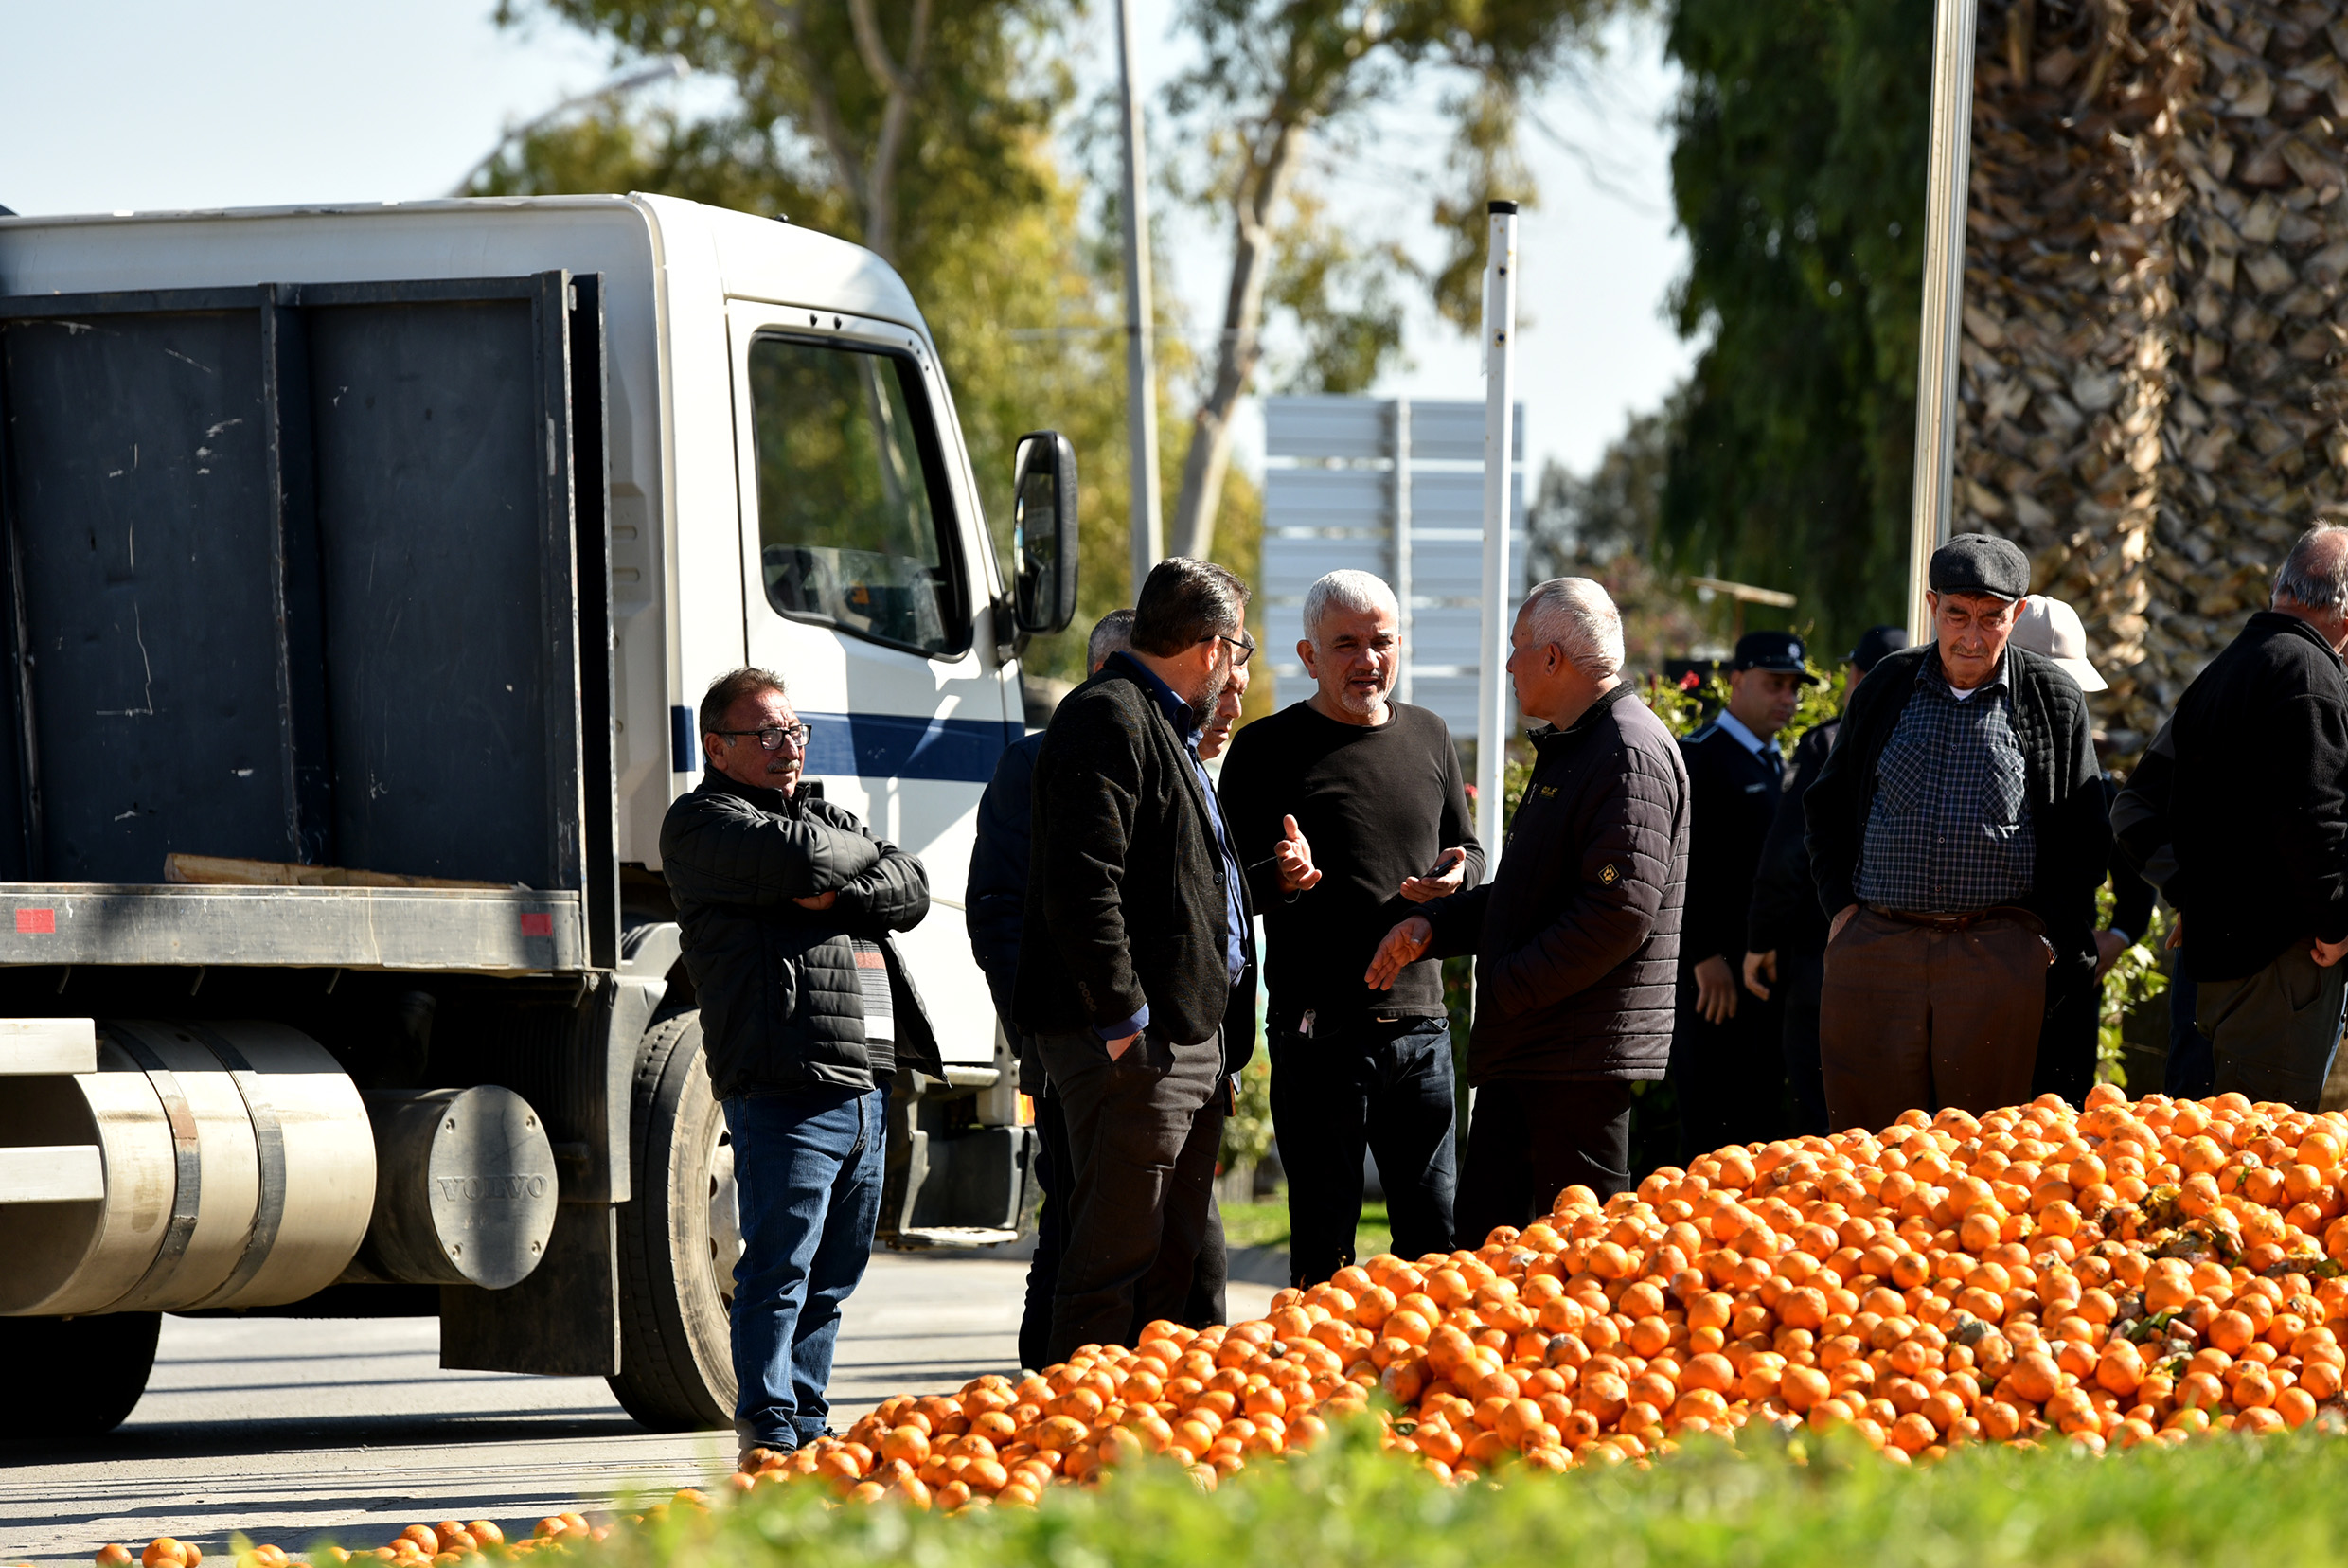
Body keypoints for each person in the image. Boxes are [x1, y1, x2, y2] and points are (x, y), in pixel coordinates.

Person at [661, 668, 938, 1462]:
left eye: (795, 731)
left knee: (835, 1272)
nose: (789, 747)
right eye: (767, 734)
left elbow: (912, 884)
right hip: (785, 1082)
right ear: (717, 747)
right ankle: (769, 1428)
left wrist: (845, 889)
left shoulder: (824, 814)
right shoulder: (701, 824)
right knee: (779, 1267)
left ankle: (810, 1421)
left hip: (864, 1081)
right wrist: (856, 861)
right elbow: (803, 861)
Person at [1363, 577, 1688, 1240]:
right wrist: (1433, 926)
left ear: (1554, 658)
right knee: (1492, 1255)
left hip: (1574, 1059)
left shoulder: (1625, 750)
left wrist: (1509, 984)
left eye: (1517, 648)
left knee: (1576, 1265)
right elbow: (1529, 897)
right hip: (1539, 1050)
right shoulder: (1580, 744)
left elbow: (1619, 912)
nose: (1509, 666)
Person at [1014, 558, 1258, 1363]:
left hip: (1182, 1041)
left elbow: (1177, 887)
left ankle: (1145, 1421)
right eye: (1239, 648)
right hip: (1129, 1046)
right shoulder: (1108, 715)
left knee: (1169, 1267)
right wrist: (1125, 1025)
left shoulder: (1165, 726)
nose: (1236, 667)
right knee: (1107, 1264)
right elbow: (1083, 885)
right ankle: (1075, 1423)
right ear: (1212, 647)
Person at [1218, 570, 1484, 1286]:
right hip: (1319, 1035)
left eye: (1382, 642)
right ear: (1308, 656)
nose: (1368, 660)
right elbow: (1218, 891)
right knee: (1324, 1253)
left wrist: (1455, 877)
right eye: (1346, 645)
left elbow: (1471, 850)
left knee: (1435, 1249)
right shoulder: (1265, 748)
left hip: (1422, 1030)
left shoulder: (1429, 734)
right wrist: (1283, 876)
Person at [1805, 534, 2108, 1131]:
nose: (1972, 636)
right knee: (1868, 1144)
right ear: (1931, 606)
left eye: (1992, 618)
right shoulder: (1887, 685)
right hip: (1879, 950)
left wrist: (2040, 940)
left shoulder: (2053, 698)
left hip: (1995, 956)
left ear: (2017, 615)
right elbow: (1827, 805)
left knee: (1984, 1144)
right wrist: (1842, 910)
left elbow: (2086, 834)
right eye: (1957, 615)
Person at [2113, 523, 2348, 1111]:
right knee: (2258, 1146)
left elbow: (2148, 807)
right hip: (2279, 965)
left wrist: (2201, 897)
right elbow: (2313, 820)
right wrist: (2335, 923)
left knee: (2215, 1140)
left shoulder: (2230, 668)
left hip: (2234, 958)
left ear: (2281, 586)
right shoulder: (2307, 676)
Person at [966, 610, 1132, 1373]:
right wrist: (1036, 1030)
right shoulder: (1031, 765)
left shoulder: (1174, 760)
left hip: (1155, 1053)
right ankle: (1050, 1389)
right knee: (1070, 1227)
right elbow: (997, 911)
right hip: (1068, 1046)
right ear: (1101, 675)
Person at [1743, 624, 1907, 1134]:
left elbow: (1790, 853)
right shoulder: (1940, 739)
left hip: (1830, 955)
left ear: (1856, 676)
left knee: (1821, 1122)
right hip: (1917, 966)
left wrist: (1761, 939)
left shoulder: (1827, 743)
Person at [1669, 630, 1816, 1158]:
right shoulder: (1699, 755)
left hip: (1768, 976)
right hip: (1714, 979)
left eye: (1794, 688)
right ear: (1736, 680)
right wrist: (1703, 955)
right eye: (1774, 684)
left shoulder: (1783, 762)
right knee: (1712, 1135)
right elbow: (1676, 863)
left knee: (1761, 1131)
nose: (1787, 698)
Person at [2006, 594, 2153, 1108]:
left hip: (2066, 989)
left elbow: (2137, 880)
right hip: (1982, 981)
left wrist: (2115, 937)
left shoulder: (2093, 782)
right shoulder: (1969, 754)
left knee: (2061, 1120)